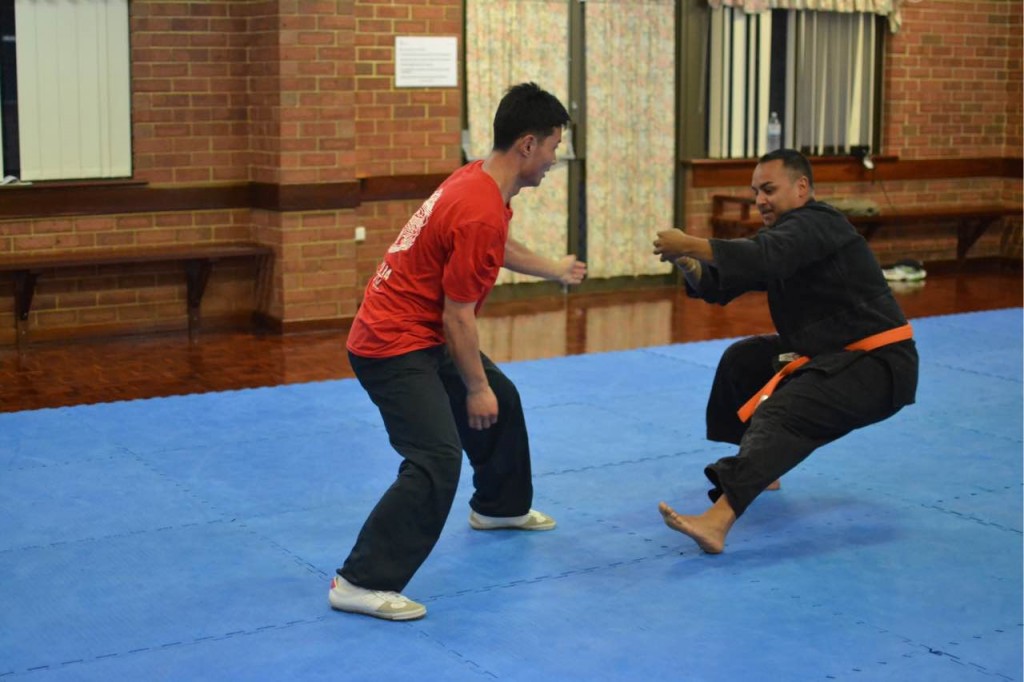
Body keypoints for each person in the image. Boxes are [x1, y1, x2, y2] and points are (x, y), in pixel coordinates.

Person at [329, 82, 587, 621]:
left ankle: (499, 507)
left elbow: (495, 247)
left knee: (504, 401)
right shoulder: (478, 207)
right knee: (435, 458)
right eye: (553, 147)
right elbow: (458, 316)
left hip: (419, 332)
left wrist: (554, 269)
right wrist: (475, 387)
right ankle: (360, 581)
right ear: (527, 144)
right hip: (392, 346)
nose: (553, 160)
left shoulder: (478, 181)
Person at [651, 149, 918, 554]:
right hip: (833, 356)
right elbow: (725, 282)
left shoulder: (818, 224)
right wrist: (689, 261)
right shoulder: (786, 237)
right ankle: (763, 470)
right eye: (755, 192)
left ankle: (718, 520)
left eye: (769, 190)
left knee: (783, 411)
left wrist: (692, 242)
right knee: (744, 361)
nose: (760, 200)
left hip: (879, 365)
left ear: (801, 187)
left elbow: (762, 256)